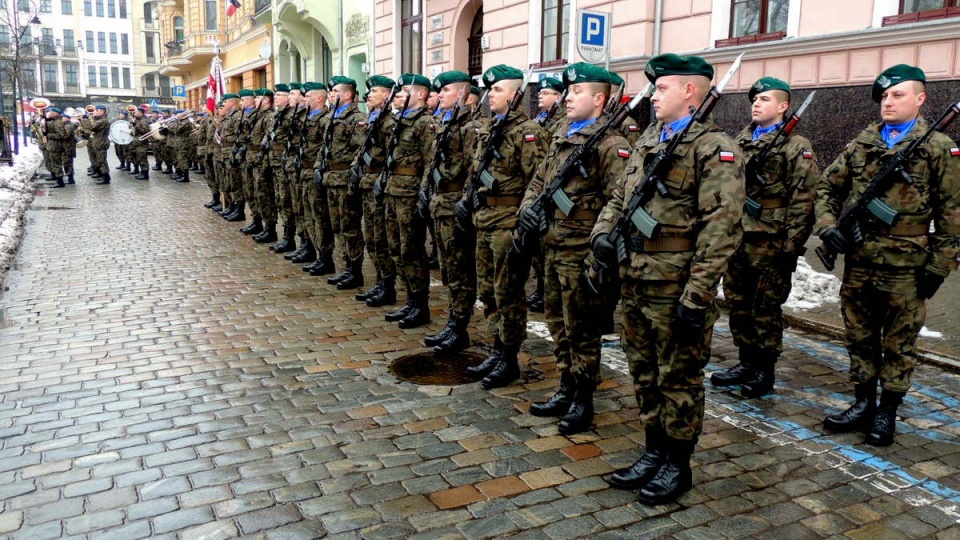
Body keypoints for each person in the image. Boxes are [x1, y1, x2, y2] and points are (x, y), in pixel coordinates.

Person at [592, 54, 745, 504]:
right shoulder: (651, 142)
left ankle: (677, 464)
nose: (653, 96)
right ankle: (654, 451)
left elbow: (722, 228)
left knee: (677, 377)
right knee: (642, 373)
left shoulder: (714, 148)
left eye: (661, 89)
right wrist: (603, 235)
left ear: (689, 92)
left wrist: (697, 296)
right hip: (636, 280)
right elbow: (620, 196)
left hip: (676, 285)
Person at [816, 64, 960, 446]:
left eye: (897, 94)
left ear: (920, 98)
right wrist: (828, 226)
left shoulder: (939, 148)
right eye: (884, 96)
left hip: (908, 267)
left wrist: (940, 266)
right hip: (860, 262)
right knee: (859, 337)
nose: (888, 102)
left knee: (899, 344)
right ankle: (863, 403)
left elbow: (953, 214)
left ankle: (887, 412)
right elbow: (825, 189)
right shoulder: (861, 144)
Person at [520, 63, 631, 434]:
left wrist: (599, 252)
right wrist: (528, 211)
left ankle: (584, 398)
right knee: (557, 323)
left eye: (578, 92)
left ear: (599, 99)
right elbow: (539, 179)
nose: (568, 98)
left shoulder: (611, 145)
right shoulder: (564, 134)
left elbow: (622, 200)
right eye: (568, 92)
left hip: (581, 254)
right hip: (553, 246)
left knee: (581, 330)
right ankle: (567, 386)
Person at [712, 77, 818, 397]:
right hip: (738, 238)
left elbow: (805, 199)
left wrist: (792, 245)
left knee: (765, 309)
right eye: (754, 99)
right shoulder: (739, 141)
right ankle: (746, 361)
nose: (756, 104)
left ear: (783, 107)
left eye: (765, 99)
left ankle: (765, 371)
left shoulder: (796, 146)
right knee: (738, 304)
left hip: (771, 242)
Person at [458, 65, 549, 389]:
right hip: (485, 222)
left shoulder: (528, 133)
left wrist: (524, 232)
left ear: (514, 95)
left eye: (496, 90)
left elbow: (536, 184)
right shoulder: (490, 128)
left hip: (507, 226)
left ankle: (508, 357)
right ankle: (497, 349)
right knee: (488, 291)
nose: (489, 95)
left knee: (508, 293)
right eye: (488, 90)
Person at [420, 70, 479, 354]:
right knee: (447, 270)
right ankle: (454, 322)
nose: (439, 95)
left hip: (455, 207)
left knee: (460, 271)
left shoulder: (470, 128)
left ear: (461, 94)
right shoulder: (446, 124)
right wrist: (425, 191)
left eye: (445, 91)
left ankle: (460, 326)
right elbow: (432, 165)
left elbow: (472, 171)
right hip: (439, 203)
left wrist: (464, 205)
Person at [379, 73, 436, 329]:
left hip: (410, 195)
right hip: (393, 191)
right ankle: (410, 299)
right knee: (396, 248)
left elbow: (430, 162)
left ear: (421, 94)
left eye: (406, 90)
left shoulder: (425, 123)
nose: (400, 94)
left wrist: (423, 194)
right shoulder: (400, 120)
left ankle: (420, 304)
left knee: (411, 250)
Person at [352, 75, 399, 307]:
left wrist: (382, 180)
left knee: (381, 239)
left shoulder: (389, 123)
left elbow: (393, 158)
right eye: (369, 92)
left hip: (379, 185)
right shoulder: (374, 119)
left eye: (375, 91)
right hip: (367, 183)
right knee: (371, 237)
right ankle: (381, 281)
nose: (369, 95)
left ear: (387, 95)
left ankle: (388, 285)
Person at [318, 76, 367, 289]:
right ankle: (347, 266)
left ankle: (356, 272)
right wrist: (319, 167)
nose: (331, 95)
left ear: (347, 95)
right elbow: (325, 148)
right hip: (331, 179)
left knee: (350, 227)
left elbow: (360, 151)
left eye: (336, 91)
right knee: (337, 226)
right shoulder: (332, 118)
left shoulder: (356, 119)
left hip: (345, 180)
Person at [526, 76, 567, 314]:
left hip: (551, 188)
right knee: (536, 248)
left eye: (547, 93)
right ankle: (541, 288)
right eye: (540, 92)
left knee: (544, 248)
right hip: (539, 184)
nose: (540, 95)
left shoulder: (562, 121)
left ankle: (545, 290)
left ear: (558, 96)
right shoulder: (539, 119)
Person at [299, 83, 337, 276]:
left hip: (319, 174)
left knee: (321, 217)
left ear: (319, 99)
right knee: (309, 215)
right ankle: (315, 251)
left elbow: (326, 149)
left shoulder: (325, 120)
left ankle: (325, 257)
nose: (304, 100)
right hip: (306, 172)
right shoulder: (308, 118)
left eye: (308, 97)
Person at [251, 89, 279, 244]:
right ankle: (263, 226)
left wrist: (261, 157)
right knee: (259, 194)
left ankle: (270, 228)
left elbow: (268, 139)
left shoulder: (269, 117)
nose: (255, 101)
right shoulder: (258, 116)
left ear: (267, 100)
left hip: (263, 161)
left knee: (265, 196)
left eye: (258, 98)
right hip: (256, 160)